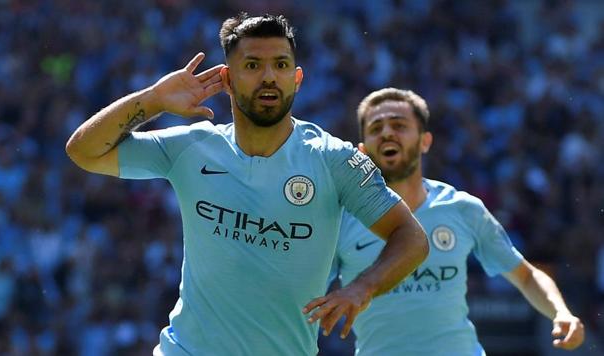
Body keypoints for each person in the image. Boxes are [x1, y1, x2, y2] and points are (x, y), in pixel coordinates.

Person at [65, 14, 428, 356]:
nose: (269, 77)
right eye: (253, 66)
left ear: (297, 79)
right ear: (226, 79)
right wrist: (153, 100)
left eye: (281, 65)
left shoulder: (333, 160)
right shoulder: (192, 148)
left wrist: (362, 288)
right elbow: (84, 151)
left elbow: (411, 238)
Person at [330, 88, 585, 355]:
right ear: (362, 149)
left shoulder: (463, 209)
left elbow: (526, 275)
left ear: (425, 141)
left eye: (399, 125)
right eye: (375, 128)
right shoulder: (341, 220)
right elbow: (304, 293)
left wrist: (561, 312)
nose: (386, 133)